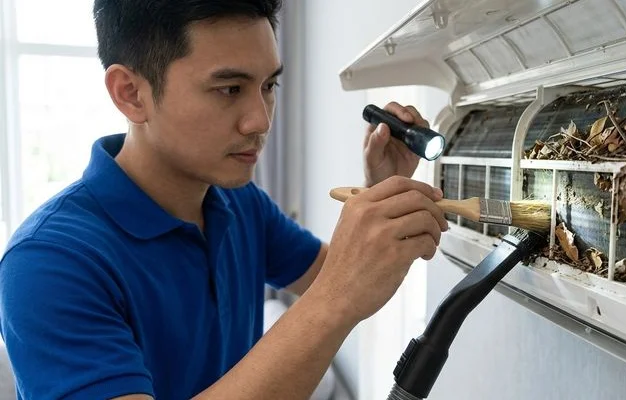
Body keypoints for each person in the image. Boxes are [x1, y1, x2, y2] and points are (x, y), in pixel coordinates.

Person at [0, 1, 448, 399]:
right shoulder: (48, 262)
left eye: (268, 86)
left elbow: (342, 278)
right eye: (229, 89)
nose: (260, 120)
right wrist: (333, 298)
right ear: (130, 93)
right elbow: (333, 293)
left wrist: (381, 194)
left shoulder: (239, 203)